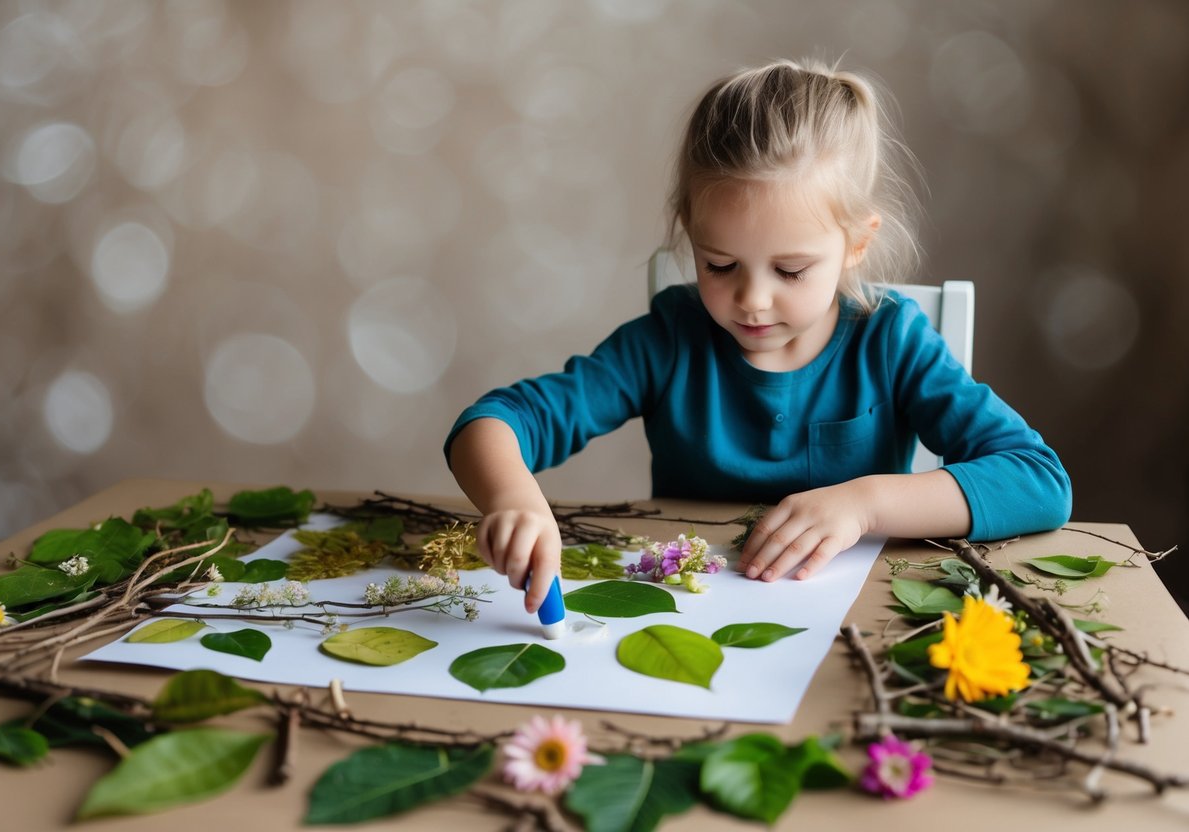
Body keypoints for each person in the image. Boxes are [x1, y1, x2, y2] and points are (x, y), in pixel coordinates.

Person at [445, 58, 1072, 613]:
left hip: (856, 620)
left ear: (857, 244)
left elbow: (1037, 480)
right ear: (690, 233)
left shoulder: (891, 342)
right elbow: (494, 421)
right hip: (686, 607)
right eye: (719, 265)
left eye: (791, 270)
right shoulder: (670, 340)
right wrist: (515, 500)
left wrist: (863, 504)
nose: (751, 299)